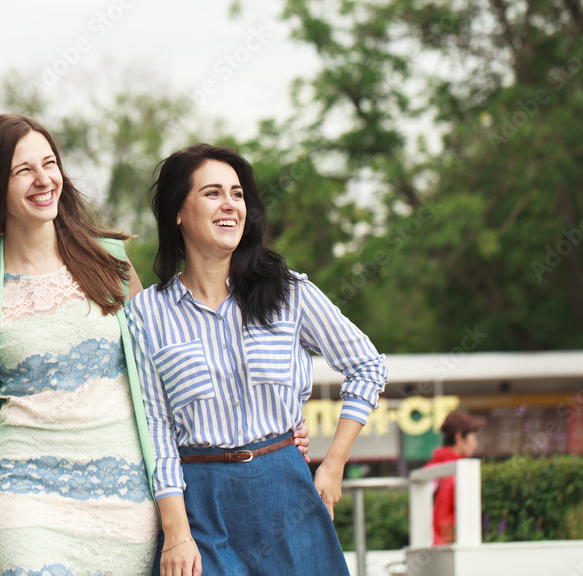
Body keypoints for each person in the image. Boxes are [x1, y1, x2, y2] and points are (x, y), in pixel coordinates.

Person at [0, 113, 161, 576]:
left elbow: (158, 374)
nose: (44, 179)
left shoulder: (113, 265)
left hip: (124, 496)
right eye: (22, 170)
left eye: (49, 163)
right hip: (21, 493)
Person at [127, 143, 389, 575]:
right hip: (201, 506)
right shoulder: (146, 314)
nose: (230, 204)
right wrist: (176, 533)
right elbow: (155, 430)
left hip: (288, 491)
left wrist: (334, 464)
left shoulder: (287, 292)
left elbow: (367, 366)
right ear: (177, 211)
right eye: (212, 193)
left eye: (237, 193)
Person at [424, 409, 485, 546]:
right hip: (448, 552)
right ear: (459, 437)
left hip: (425, 548)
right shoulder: (458, 472)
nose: (476, 444)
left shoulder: (428, 469)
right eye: (473, 438)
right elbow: (445, 522)